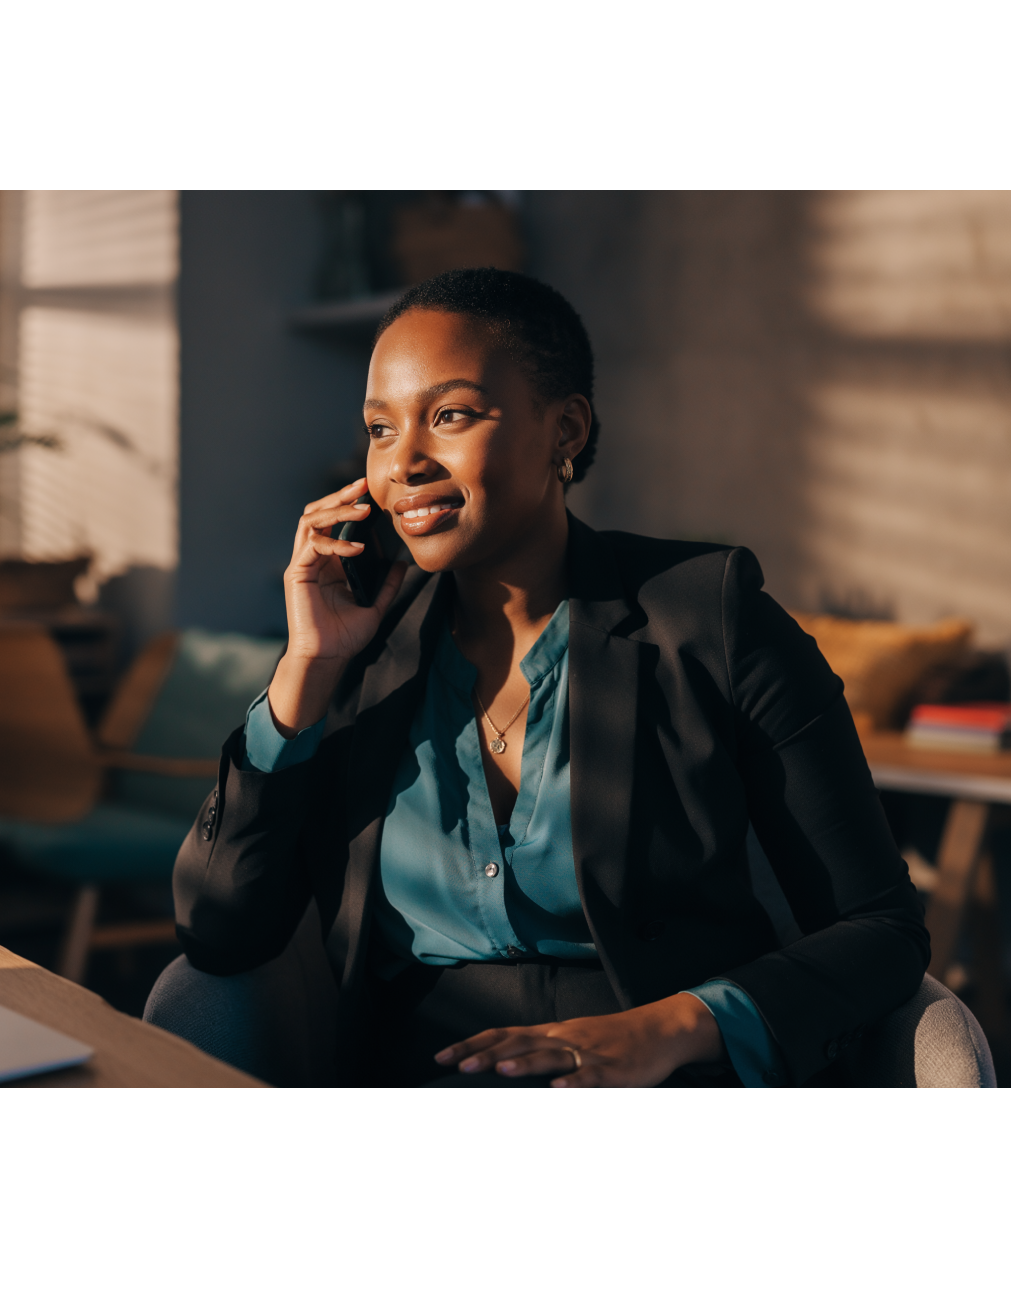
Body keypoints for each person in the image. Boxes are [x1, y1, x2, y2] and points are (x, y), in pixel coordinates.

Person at [173, 268, 929, 1088]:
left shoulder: (709, 617)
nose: (404, 463)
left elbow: (879, 928)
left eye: (449, 415)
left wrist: (668, 1029)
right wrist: (307, 670)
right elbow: (219, 934)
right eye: (380, 429)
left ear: (565, 429)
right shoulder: (359, 651)